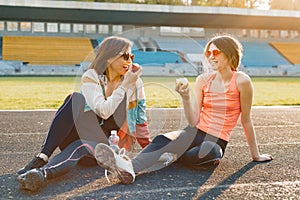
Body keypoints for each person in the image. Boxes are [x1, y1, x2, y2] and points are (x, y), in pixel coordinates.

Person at [94, 33, 273, 184]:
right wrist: (185, 97)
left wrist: (255, 155)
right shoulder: (204, 80)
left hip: (216, 141)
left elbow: (246, 120)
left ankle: (174, 155)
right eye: (208, 53)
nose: (211, 56)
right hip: (193, 132)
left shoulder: (242, 81)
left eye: (216, 52)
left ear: (229, 54)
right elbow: (193, 120)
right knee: (162, 139)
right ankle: (129, 168)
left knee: (206, 153)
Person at [17, 36, 151, 192]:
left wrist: (152, 149)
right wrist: (124, 87)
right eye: (125, 56)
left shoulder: (135, 83)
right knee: (75, 99)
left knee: (81, 145)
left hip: (105, 147)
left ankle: (40, 175)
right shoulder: (91, 77)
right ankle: (42, 157)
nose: (129, 61)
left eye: (132, 56)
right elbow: (104, 111)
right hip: (80, 133)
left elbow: (140, 117)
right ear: (109, 57)